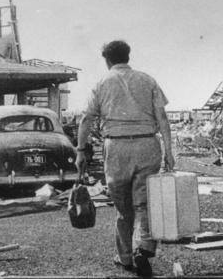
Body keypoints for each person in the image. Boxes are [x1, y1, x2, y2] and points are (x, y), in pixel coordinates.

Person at [76, 40, 174, 276]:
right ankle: (145, 249)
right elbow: (162, 117)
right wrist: (169, 151)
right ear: (128, 56)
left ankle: (125, 257)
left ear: (107, 60)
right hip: (148, 144)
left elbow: (86, 119)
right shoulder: (148, 80)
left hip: (117, 147)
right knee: (145, 203)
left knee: (123, 208)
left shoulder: (101, 83)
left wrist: (80, 150)